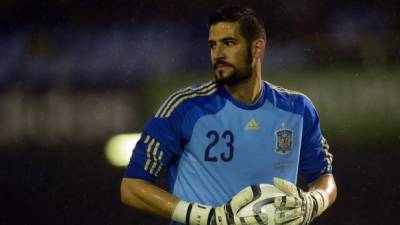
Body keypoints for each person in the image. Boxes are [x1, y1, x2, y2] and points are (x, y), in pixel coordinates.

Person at [121, 6, 337, 225]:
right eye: (212, 45)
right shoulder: (184, 108)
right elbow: (131, 187)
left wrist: (315, 201)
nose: (218, 54)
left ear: (258, 48)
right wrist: (208, 217)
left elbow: (324, 177)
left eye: (229, 43)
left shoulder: (297, 109)